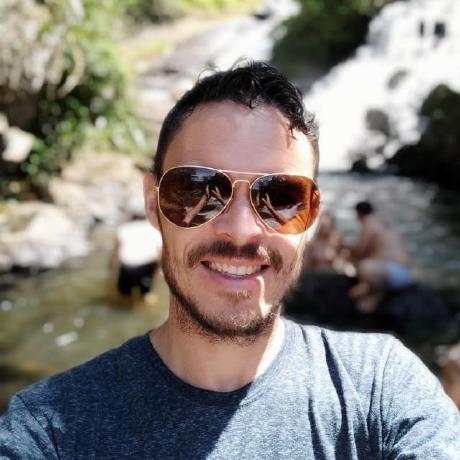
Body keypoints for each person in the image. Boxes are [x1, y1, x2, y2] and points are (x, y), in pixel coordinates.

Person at [1, 62, 459, 459]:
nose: (240, 230)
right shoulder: (51, 429)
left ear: (312, 215)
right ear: (152, 203)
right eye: (198, 189)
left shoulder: (382, 389)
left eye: (281, 196)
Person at [347, 201, 412, 313]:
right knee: (363, 307)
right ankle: (374, 293)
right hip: (404, 273)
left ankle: (373, 290)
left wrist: (344, 248)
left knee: (365, 266)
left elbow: (359, 250)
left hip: (391, 272)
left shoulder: (369, 223)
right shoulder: (382, 222)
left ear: (359, 213)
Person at [110, 217, 162, 299]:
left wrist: (112, 269)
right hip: (148, 265)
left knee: (123, 294)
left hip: (127, 265)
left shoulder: (123, 228)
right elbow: (160, 253)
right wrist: (158, 269)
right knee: (146, 294)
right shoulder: (155, 229)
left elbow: (116, 253)